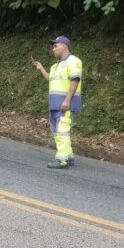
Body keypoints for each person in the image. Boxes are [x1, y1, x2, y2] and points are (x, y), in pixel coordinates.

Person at [32, 35, 83, 169]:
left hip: (65, 105)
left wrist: (67, 100)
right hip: (55, 104)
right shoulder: (55, 66)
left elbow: (75, 80)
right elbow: (50, 79)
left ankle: (62, 160)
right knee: (59, 132)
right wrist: (41, 68)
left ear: (64, 46)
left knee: (62, 131)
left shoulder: (73, 61)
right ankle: (68, 157)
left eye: (55, 46)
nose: (53, 49)